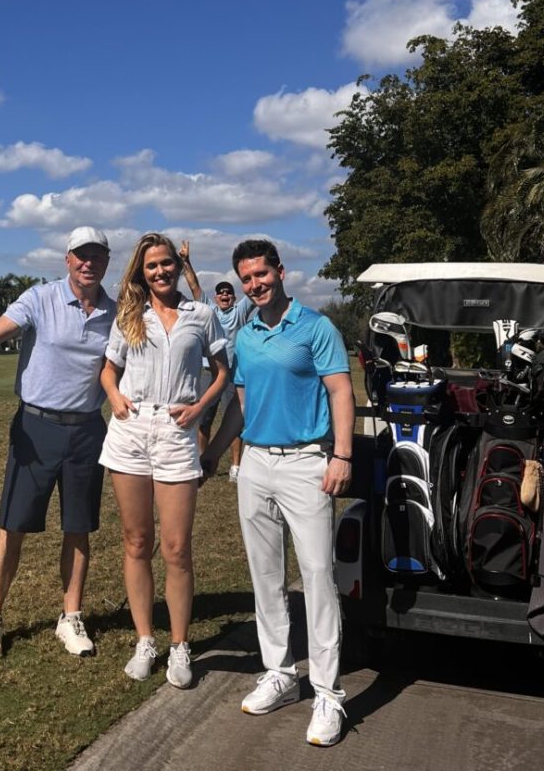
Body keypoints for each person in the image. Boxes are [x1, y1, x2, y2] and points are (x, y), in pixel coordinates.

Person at [0, 227, 116, 661]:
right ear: (67, 259)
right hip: (36, 426)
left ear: (106, 262)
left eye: (97, 256)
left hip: (88, 428)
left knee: (79, 527)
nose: (89, 263)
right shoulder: (40, 298)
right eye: (80, 255)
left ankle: (70, 617)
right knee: (12, 527)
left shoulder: (115, 310)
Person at [201, 238, 355, 747]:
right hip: (258, 465)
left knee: (317, 578)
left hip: (308, 462)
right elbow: (240, 407)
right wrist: (216, 454)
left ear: (280, 272)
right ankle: (280, 673)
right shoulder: (246, 337)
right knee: (266, 577)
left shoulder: (316, 328)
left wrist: (342, 455)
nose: (254, 285)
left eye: (261, 275)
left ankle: (329, 694)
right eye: (246, 279)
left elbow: (339, 391)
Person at [99, 232, 228, 688]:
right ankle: (144, 640)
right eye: (151, 266)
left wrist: (199, 408)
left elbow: (223, 373)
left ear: (177, 265)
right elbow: (109, 370)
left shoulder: (202, 314)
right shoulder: (129, 315)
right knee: (136, 541)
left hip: (177, 432)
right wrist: (113, 395)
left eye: (167, 264)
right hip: (131, 429)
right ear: (141, 271)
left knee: (176, 548)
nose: (160, 271)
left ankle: (179, 645)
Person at [178, 240, 253, 479]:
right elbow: (194, 287)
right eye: (221, 293)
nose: (224, 296)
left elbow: (252, 294)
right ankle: (203, 460)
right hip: (210, 372)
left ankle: (235, 466)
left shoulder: (240, 312)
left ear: (233, 297)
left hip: (234, 374)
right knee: (203, 419)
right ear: (216, 297)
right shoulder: (209, 310)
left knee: (235, 420)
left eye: (228, 293)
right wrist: (186, 262)